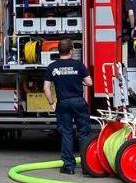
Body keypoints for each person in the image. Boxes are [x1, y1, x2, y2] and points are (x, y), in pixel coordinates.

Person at [44, 39, 93, 175]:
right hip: (78, 102)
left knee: (66, 133)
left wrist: (51, 102)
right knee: (83, 133)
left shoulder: (52, 67)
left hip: (63, 103)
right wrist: (80, 82)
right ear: (71, 51)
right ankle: (87, 167)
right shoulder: (78, 65)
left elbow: (46, 87)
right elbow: (89, 82)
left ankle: (68, 167)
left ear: (58, 51)